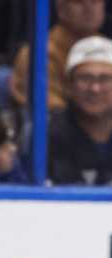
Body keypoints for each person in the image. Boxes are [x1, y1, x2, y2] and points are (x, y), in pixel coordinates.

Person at [11, 0, 106, 112]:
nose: (89, 7)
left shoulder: (107, 50)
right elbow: (51, 111)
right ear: (61, 8)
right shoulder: (39, 54)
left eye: (95, 0)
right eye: (78, 0)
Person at [47, 35, 112, 185]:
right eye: (85, 78)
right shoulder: (48, 134)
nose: (95, 89)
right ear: (68, 86)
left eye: (105, 79)